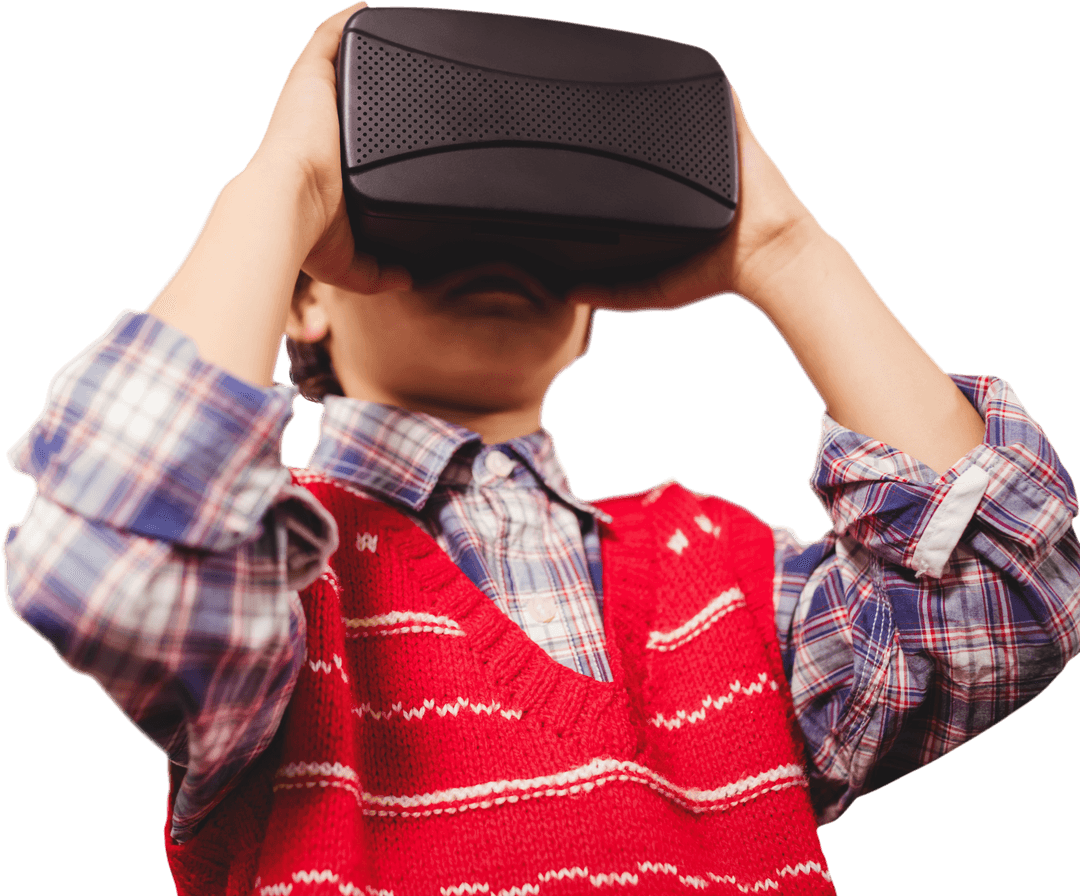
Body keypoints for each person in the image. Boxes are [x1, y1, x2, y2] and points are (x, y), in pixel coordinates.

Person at [5, 2, 1079, 894]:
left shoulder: (722, 577)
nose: (494, 241)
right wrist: (283, 185)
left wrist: (784, 250)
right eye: (433, 215)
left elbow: (1009, 596)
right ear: (301, 295)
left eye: (542, 235)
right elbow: (113, 563)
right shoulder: (285, 587)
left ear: (591, 314)